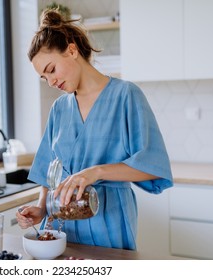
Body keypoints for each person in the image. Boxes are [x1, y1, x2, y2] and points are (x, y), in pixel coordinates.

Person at [16, 9, 173, 250]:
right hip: (60, 229)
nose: (51, 82)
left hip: (109, 222)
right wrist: (41, 207)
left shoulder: (126, 96)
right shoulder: (59, 108)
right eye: (43, 78)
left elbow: (153, 167)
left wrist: (96, 172)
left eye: (51, 70)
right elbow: (48, 171)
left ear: (71, 50)